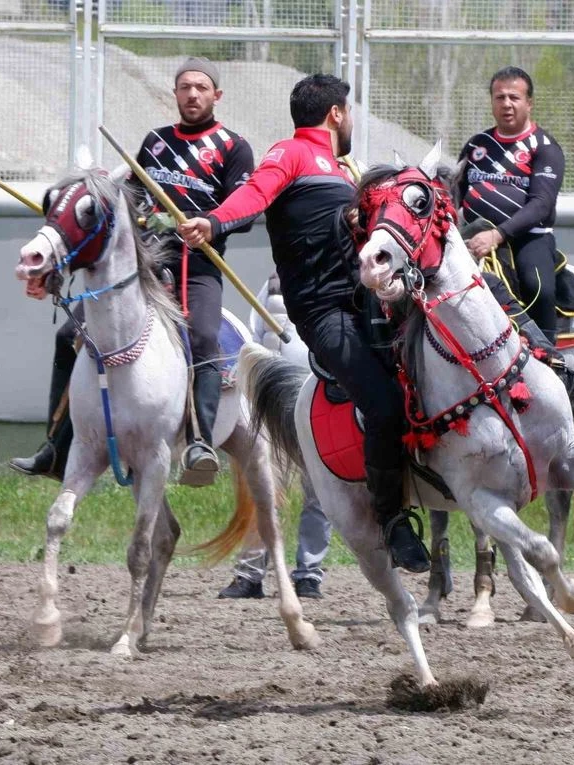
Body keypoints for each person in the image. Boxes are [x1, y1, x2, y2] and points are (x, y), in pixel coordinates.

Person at [178, 73, 430, 574]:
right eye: (350, 111)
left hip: (371, 303)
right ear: (336, 114)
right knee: (382, 403)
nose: (352, 119)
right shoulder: (292, 153)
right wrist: (214, 221)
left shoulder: (344, 170)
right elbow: (254, 193)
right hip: (324, 314)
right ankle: (392, 520)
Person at [10, 56, 254, 486]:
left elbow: (243, 211)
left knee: (202, 337)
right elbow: (130, 199)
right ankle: (56, 446)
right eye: (184, 87)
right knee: (70, 335)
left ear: (216, 95)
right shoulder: (156, 142)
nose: (192, 94)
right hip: (142, 268)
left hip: (197, 267)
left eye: (201, 87)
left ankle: (198, 442)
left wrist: (206, 222)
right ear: (175, 94)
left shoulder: (234, 147)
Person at [457, 65, 574, 422]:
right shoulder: (476, 146)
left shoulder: (545, 148)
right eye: (499, 97)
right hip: (472, 238)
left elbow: (541, 205)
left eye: (514, 97)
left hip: (526, 238)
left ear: (529, 102)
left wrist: (498, 234)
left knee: (536, 287)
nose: (506, 104)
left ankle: (556, 372)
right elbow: (455, 193)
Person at [219, 273, 332, 600]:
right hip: (269, 404)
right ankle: (250, 574)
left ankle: (309, 574)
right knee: (261, 485)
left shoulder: (336, 278)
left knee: (318, 491)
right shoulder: (270, 285)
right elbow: (253, 339)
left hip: (317, 400)